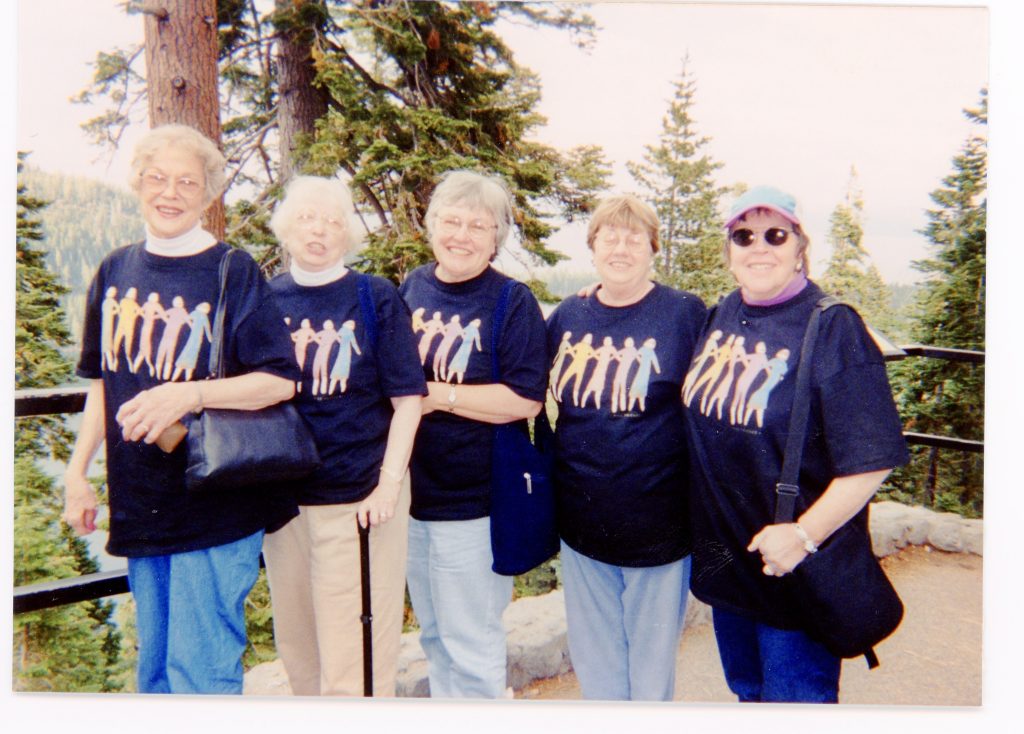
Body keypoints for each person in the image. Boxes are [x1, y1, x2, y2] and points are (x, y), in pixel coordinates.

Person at [61, 123, 299, 695]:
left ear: (207, 194)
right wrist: (76, 474)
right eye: (157, 178)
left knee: (201, 674)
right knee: (157, 677)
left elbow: (279, 382)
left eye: (187, 182)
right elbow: (104, 383)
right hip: (141, 504)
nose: (170, 193)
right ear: (138, 182)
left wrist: (189, 394)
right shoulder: (115, 270)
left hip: (212, 503)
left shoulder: (231, 270)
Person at [682, 185, 909, 703]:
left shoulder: (832, 327)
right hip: (730, 567)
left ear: (800, 246)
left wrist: (803, 537)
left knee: (794, 705)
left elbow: (872, 461)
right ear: (729, 250)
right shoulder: (722, 315)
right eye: (744, 235)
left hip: (792, 570)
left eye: (775, 235)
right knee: (748, 695)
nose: (759, 247)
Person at [262, 176, 426, 696]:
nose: (319, 231)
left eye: (333, 221)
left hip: (360, 504)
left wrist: (388, 487)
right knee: (300, 652)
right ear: (287, 227)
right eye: (307, 218)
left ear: (347, 234)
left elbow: (408, 401)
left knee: (356, 665)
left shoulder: (373, 297)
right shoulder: (265, 299)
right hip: (285, 507)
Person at [546, 195, 706, 701]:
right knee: (596, 666)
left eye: (634, 237)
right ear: (592, 247)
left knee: (650, 673)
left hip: (658, 527)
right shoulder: (568, 315)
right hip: (581, 524)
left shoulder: (683, 313)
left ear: (653, 248)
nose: (621, 247)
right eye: (609, 237)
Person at [398, 169, 548, 698]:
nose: (461, 235)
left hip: (476, 503)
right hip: (413, 498)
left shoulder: (511, 301)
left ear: (496, 237)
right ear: (432, 225)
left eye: (477, 226)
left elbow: (525, 399)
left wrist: (439, 395)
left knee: (472, 644)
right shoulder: (413, 287)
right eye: (451, 221)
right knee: (435, 638)